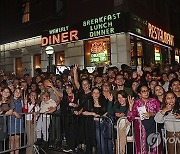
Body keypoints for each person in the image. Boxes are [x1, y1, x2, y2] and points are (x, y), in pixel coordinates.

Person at [127, 84, 162, 154]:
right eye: (143, 91)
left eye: (147, 91)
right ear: (139, 94)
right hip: (140, 131)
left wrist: (152, 114)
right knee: (141, 149)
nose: (146, 92)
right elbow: (130, 118)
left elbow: (160, 113)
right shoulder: (136, 103)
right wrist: (130, 107)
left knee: (154, 148)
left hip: (153, 129)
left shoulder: (154, 101)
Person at [8, 88, 24, 154]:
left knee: (17, 139)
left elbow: (24, 111)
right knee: (12, 139)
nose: (17, 93)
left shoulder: (21, 101)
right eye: (16, 91)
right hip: (11, 121)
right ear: (13, 92)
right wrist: (14, 112)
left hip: (19, 122)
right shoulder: (9, 100)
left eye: (19, 92)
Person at [0, 87, 14, 152]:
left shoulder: (10, 101)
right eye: (4, 91)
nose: (6, 93)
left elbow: (10, 112)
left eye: (7, 92)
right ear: (1, 92)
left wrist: (2, 112)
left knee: (1, 141)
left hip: (2, 123)